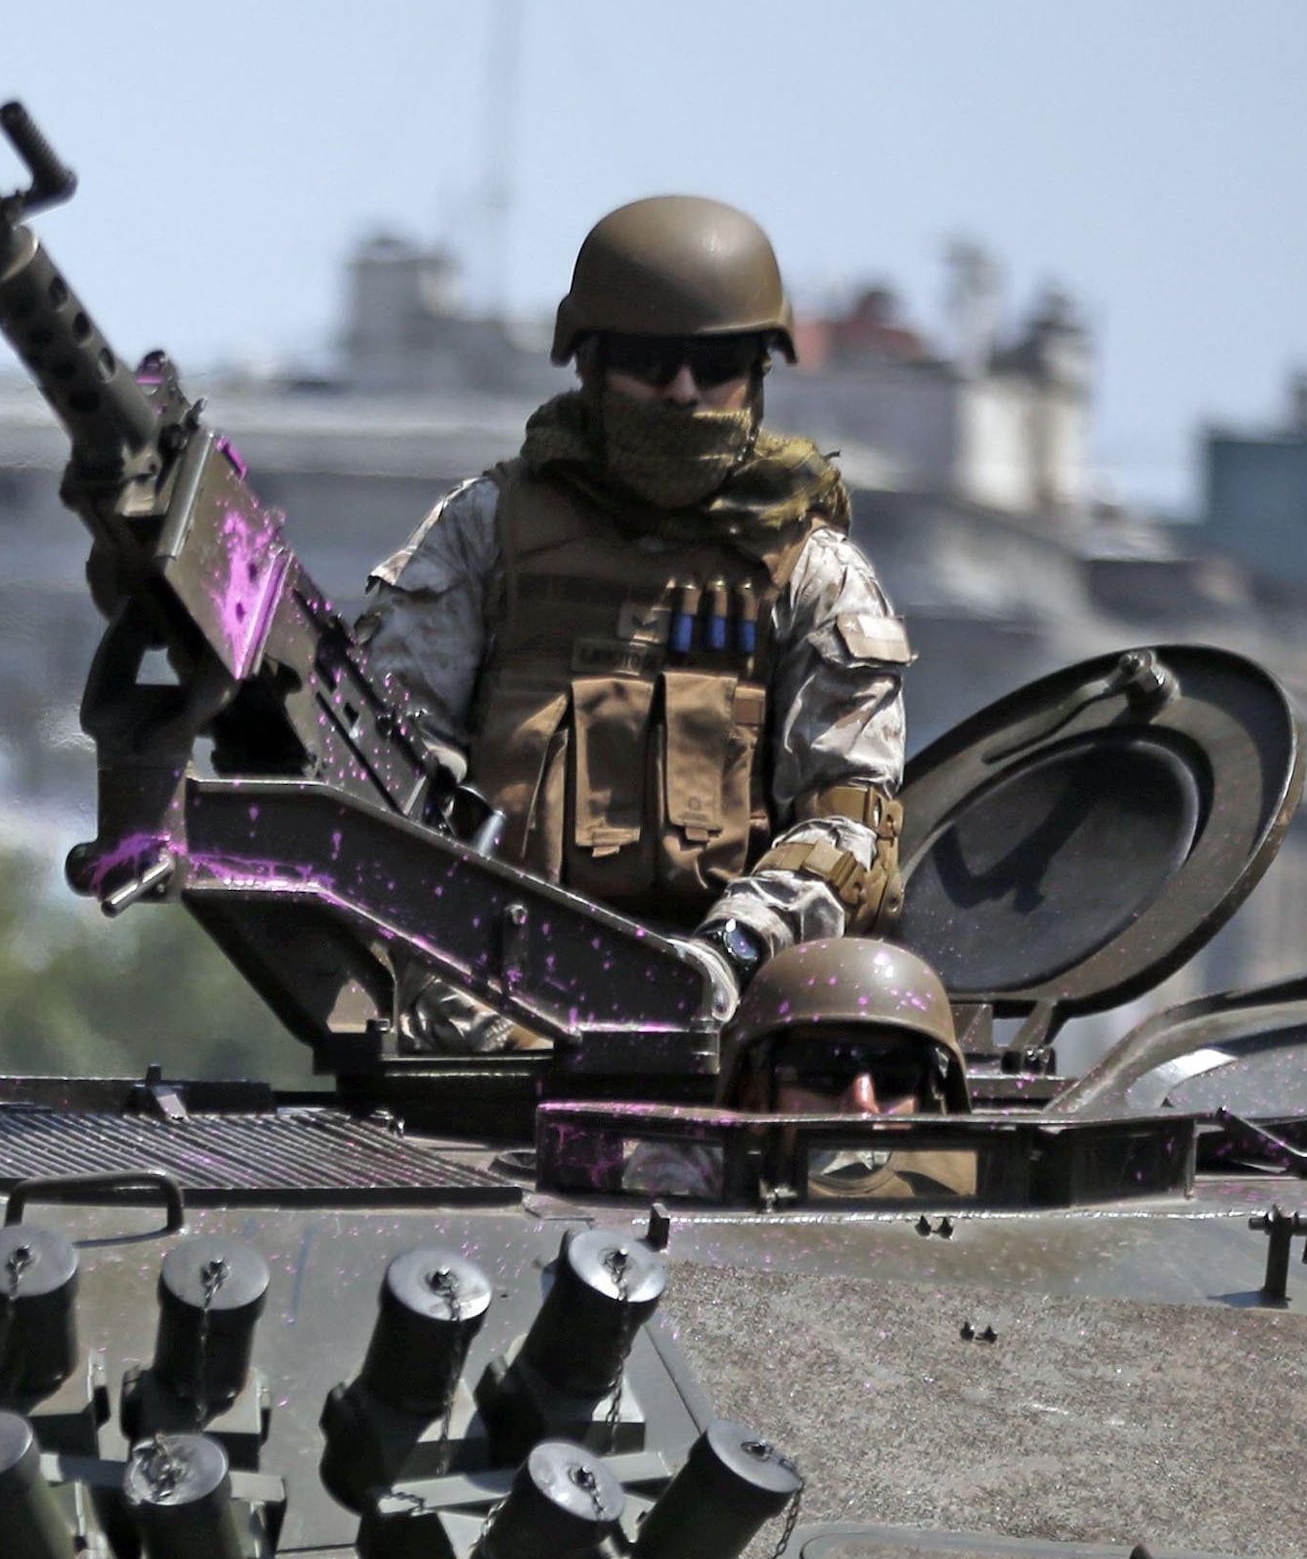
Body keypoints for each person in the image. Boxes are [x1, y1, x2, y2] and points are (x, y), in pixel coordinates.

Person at [349, 196, 917, 1039]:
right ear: (594, 363)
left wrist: (726, 956)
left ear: (757, 371)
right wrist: (453, 952)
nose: (684, 393)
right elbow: (388, 766)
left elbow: (847, 831)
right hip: (485, 999)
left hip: (732, 1027)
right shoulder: (487, 532)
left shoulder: (812, 573)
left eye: (716, 361)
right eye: (652, 361)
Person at [723, 939, 966, 1117]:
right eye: (824, 1072)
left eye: (894, 1076)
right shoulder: (701, 1181)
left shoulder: (972, 1185)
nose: (863, 1105)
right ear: (754, 1093)